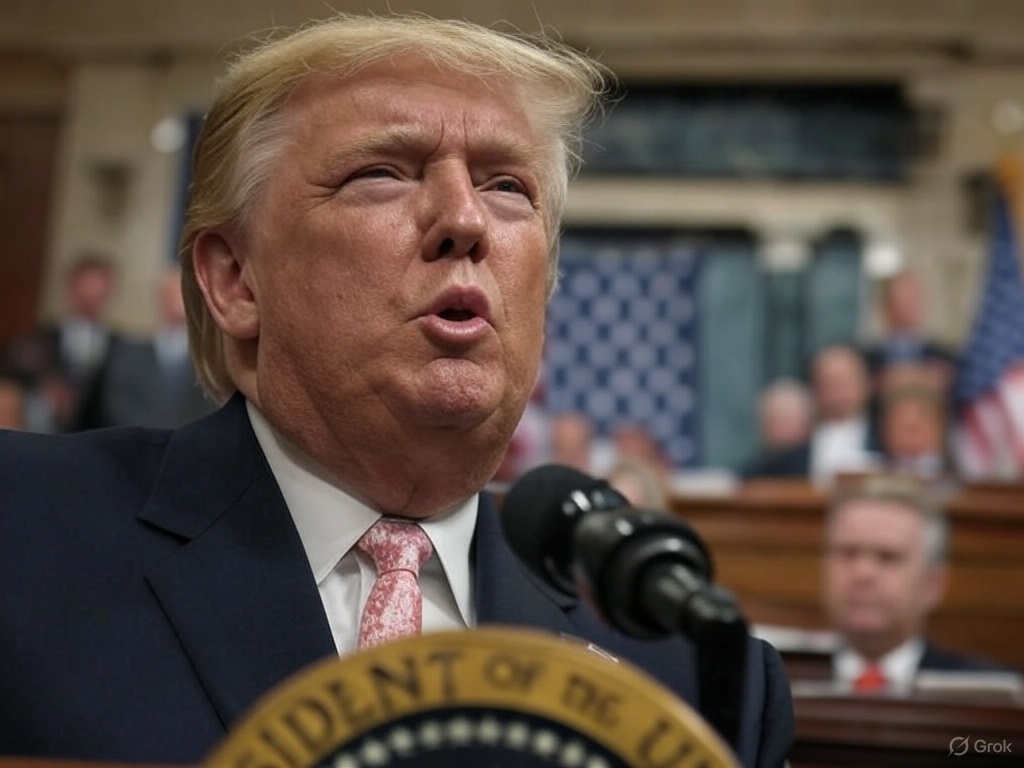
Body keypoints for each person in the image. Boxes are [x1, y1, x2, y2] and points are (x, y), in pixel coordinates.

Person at [0, 14, 792, 766]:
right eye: (381, 174)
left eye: (507, 186)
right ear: (236, 280)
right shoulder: (23, 531)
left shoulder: (693, 677)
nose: (464, 218)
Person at [823, 474, 1010, 693]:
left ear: (933, 584)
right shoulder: (779, 685)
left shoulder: (987, 693)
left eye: (887, 557)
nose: (863, 573)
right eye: (848, 553)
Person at [744, 344, 879, 482]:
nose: (837, 392)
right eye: (828, 383)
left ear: (867, 383)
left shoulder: (885, 437)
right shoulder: (797, 441)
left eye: (844, 382)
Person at [102, 268, 216, 428]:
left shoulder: (210, 362)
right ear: (159, 300)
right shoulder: (130, 354)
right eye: (170, 295)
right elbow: (119, 404)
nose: (177, 301)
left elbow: (211, 408)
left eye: (182, 293)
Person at [740, 378, 814, 478]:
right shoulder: (755, 469)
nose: (778, 429)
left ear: (806, 423)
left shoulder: (817, 464)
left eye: (786, 420)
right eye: (772, 420)